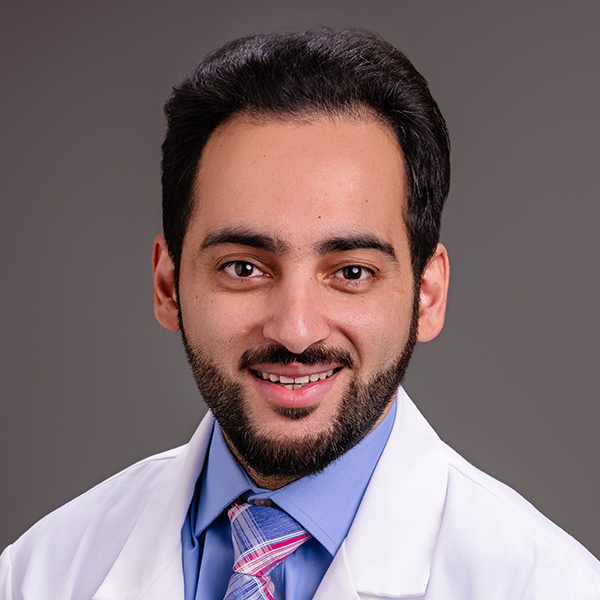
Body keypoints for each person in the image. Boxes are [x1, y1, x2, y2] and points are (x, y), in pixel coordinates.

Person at [1, 27, 599, 600]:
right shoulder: (38, 575)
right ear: (168, 285)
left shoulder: (552, 588)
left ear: (428, 294)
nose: (295, 331)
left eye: (351, 272)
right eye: (244, 268)